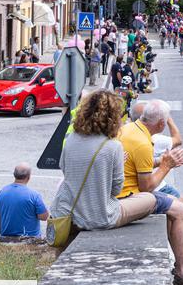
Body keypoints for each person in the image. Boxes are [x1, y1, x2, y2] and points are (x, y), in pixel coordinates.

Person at [117, 99, 183, 285]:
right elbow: (147, 187)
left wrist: (160, 161)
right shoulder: (143, 142)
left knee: (175, 207)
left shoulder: (130, 129)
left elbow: (138, 163)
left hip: (121, 190)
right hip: (129, 196)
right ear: (162, 124)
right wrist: (167, 166)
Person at [50, 91, 157, 236]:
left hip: (66, 212)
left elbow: (64, 169)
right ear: (114, 117)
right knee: (150, 199)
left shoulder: (71, 138)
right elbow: (116, 190)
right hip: (97, 218)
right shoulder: (113, 146)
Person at [0, 163, 49, 237]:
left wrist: (0, 231)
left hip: (6, 236)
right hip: (30, 238)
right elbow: (43, 217)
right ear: (28, 177)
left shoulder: (2, 192)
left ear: (14, 175)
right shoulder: (34, 195)